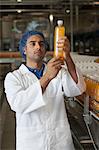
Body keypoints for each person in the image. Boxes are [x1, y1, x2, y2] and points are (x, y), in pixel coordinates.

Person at [4, 30, 86, 150]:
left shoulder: (58, 71)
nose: (38, 47)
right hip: (32, 144)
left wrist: (67, 56)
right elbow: (19, 104)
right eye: (33, 44)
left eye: (41, 44)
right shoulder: (14, 77)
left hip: (60, 143)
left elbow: (77, 88)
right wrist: (47, 77)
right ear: (24, 50)